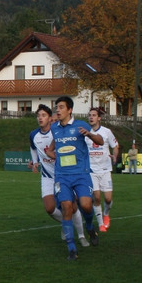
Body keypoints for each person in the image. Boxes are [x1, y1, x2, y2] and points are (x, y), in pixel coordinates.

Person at [45, 96, 103, 258]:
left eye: (61, 107)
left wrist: (90, 135)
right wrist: (57, 156)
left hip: (81, 174)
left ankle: (90, 227)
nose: (58, 110)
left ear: (69, 110)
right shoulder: (54, 128)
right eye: (57, 107)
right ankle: (71, 248)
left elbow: (100, 140)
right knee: (66, 207)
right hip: (62, 176)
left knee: (85, 205)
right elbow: (50, 149)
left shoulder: (81, 125)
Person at [29, 104, 86, 245]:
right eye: (38, 116)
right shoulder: (33, 135)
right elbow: (33, 148)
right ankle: (66, 223)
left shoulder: (57, 132)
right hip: (47, 176)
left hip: (63, 175)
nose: (40, 118)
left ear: (50, 118)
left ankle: (81, 236)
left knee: (72, 207)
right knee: (49, 208)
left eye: (43, 115)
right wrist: (35, 162)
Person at [87, 107, 120, 232]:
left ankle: (106, 214)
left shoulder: (107, 132)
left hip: (105, 169)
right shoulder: (86, 133)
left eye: (94, 115)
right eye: (89, 115)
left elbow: (115, 146)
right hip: (91, 170)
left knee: (108, 199)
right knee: (97, 198)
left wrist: (115, 155)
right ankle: (101, 224)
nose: (91, 117)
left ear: (99, 118)